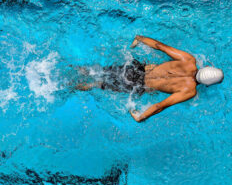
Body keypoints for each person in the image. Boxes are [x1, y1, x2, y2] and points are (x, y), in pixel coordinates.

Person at [76, 35, 224, 122]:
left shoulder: (189, 60)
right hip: (138, 85)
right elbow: (160, 106)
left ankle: (75, 69)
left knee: (95, 71)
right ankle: (71, 87)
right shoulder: (189, 91)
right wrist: (141, 117)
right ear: (207, 84)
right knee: (97, 84)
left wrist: (139, 39)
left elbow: (160, 46)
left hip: (137, 69)